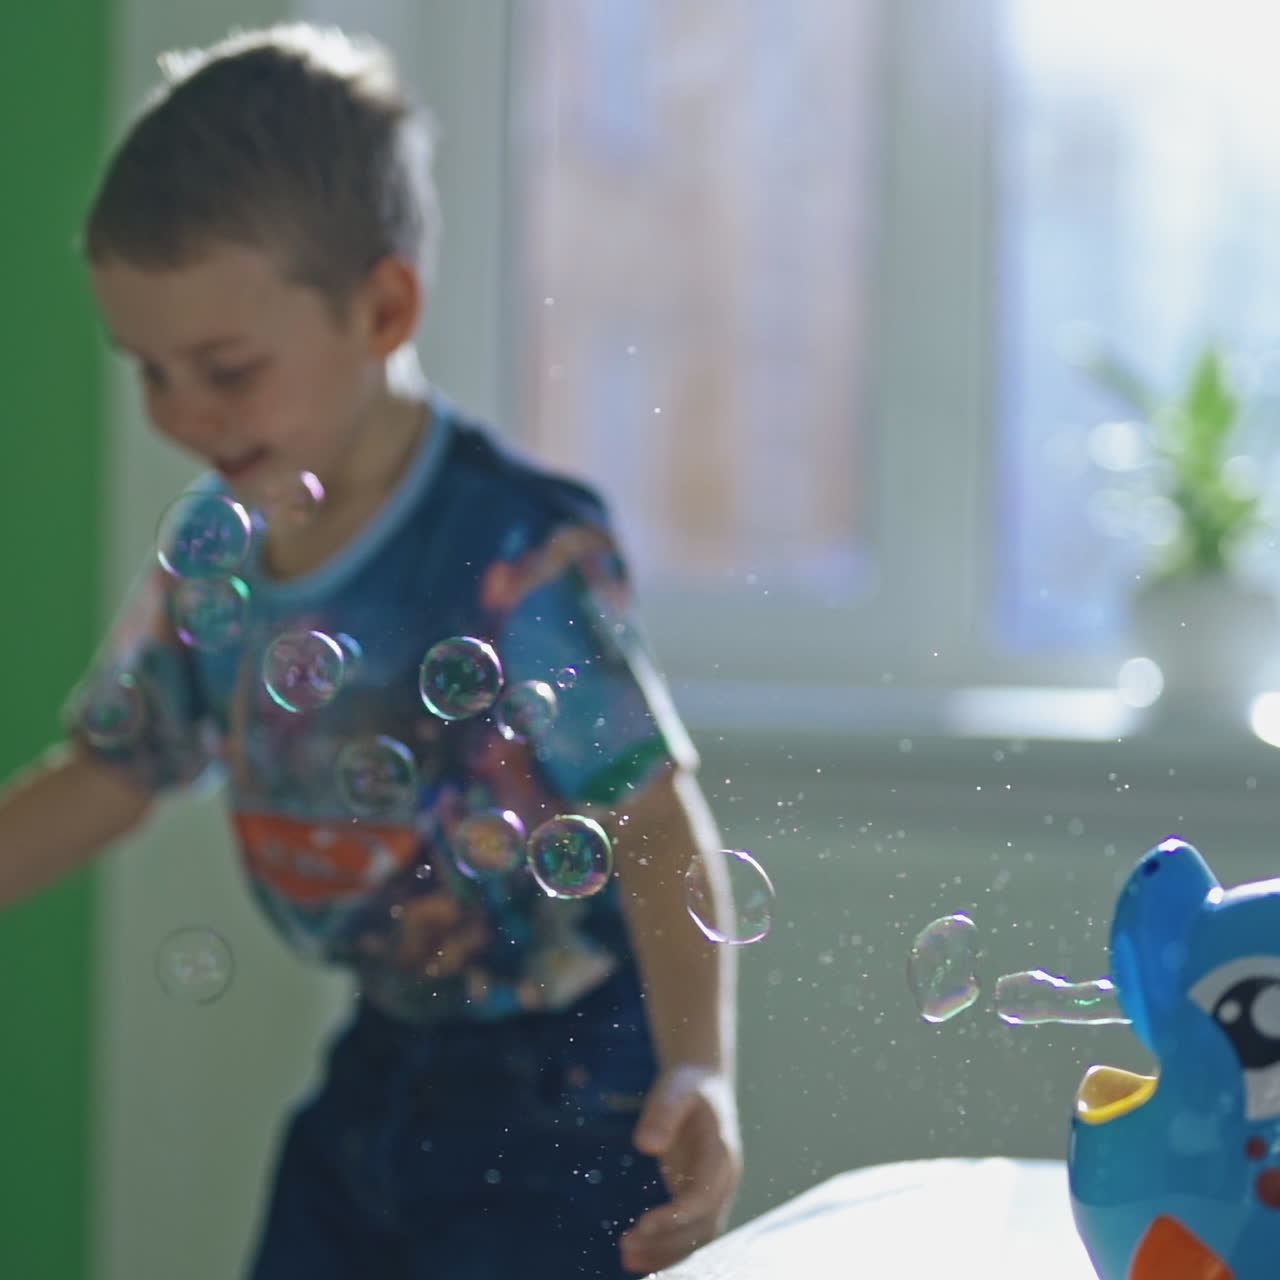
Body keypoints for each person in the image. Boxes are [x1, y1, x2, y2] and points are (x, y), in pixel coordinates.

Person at [0, 23, 740, 1279]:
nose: (181, 412)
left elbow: (652, 818)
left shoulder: (514, 548)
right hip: (388, 1053)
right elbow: (116, 768)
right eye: (148, 371)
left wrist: (699, 1064)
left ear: (382, 305)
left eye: (224, 369)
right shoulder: (218, 550)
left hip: (570, 1081)